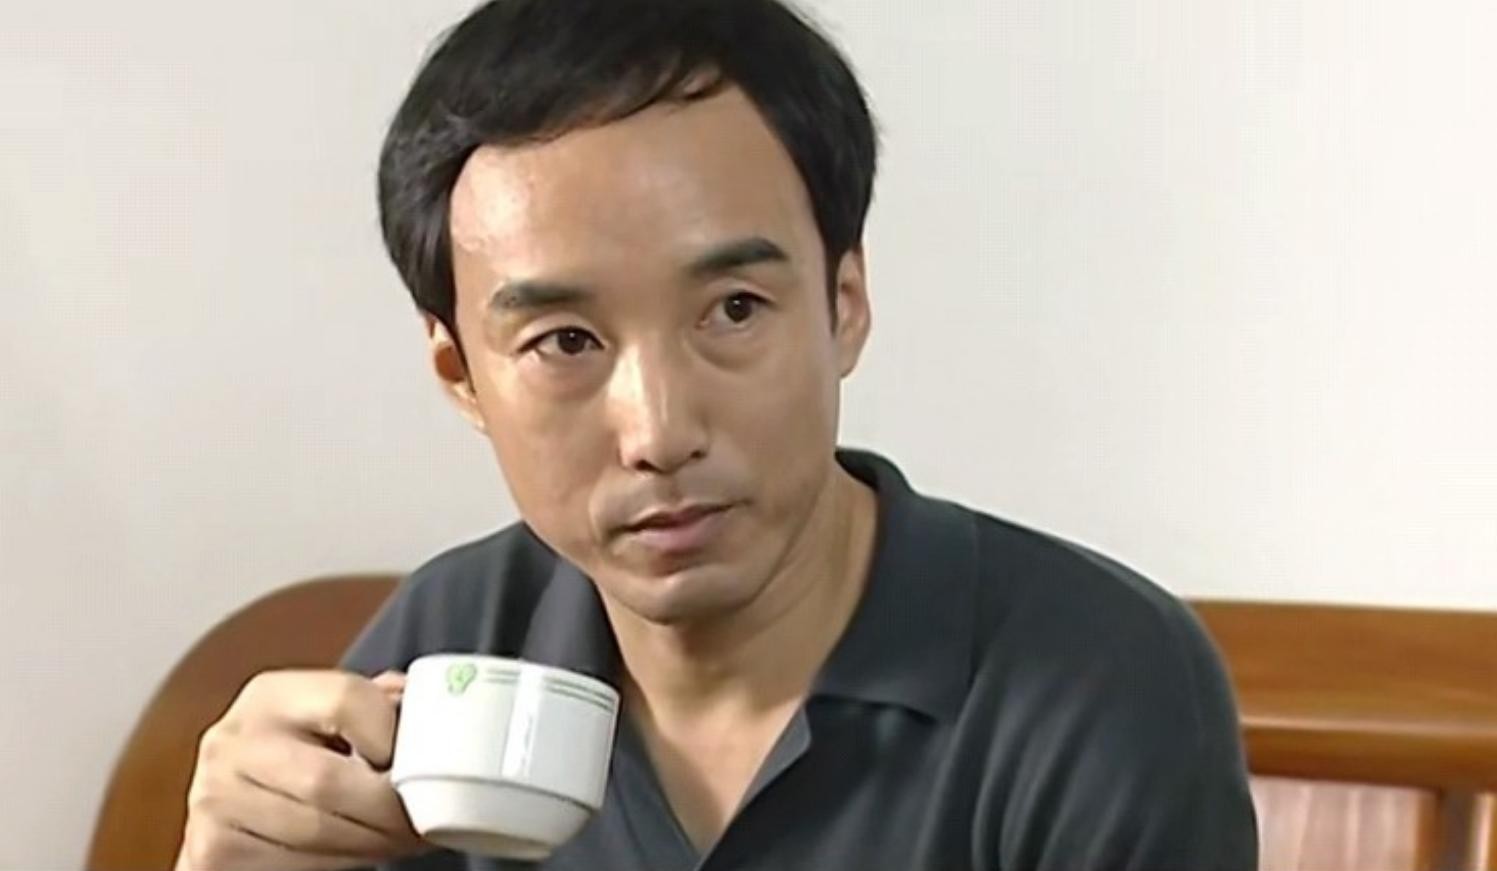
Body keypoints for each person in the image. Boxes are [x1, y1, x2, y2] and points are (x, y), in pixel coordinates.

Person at [175, 0, 1259, 868]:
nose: (659, 431)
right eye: (564, 341)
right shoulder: (455, 647)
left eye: (733, 310)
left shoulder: (1096, 684)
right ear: (461, 373)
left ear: (843, 305)